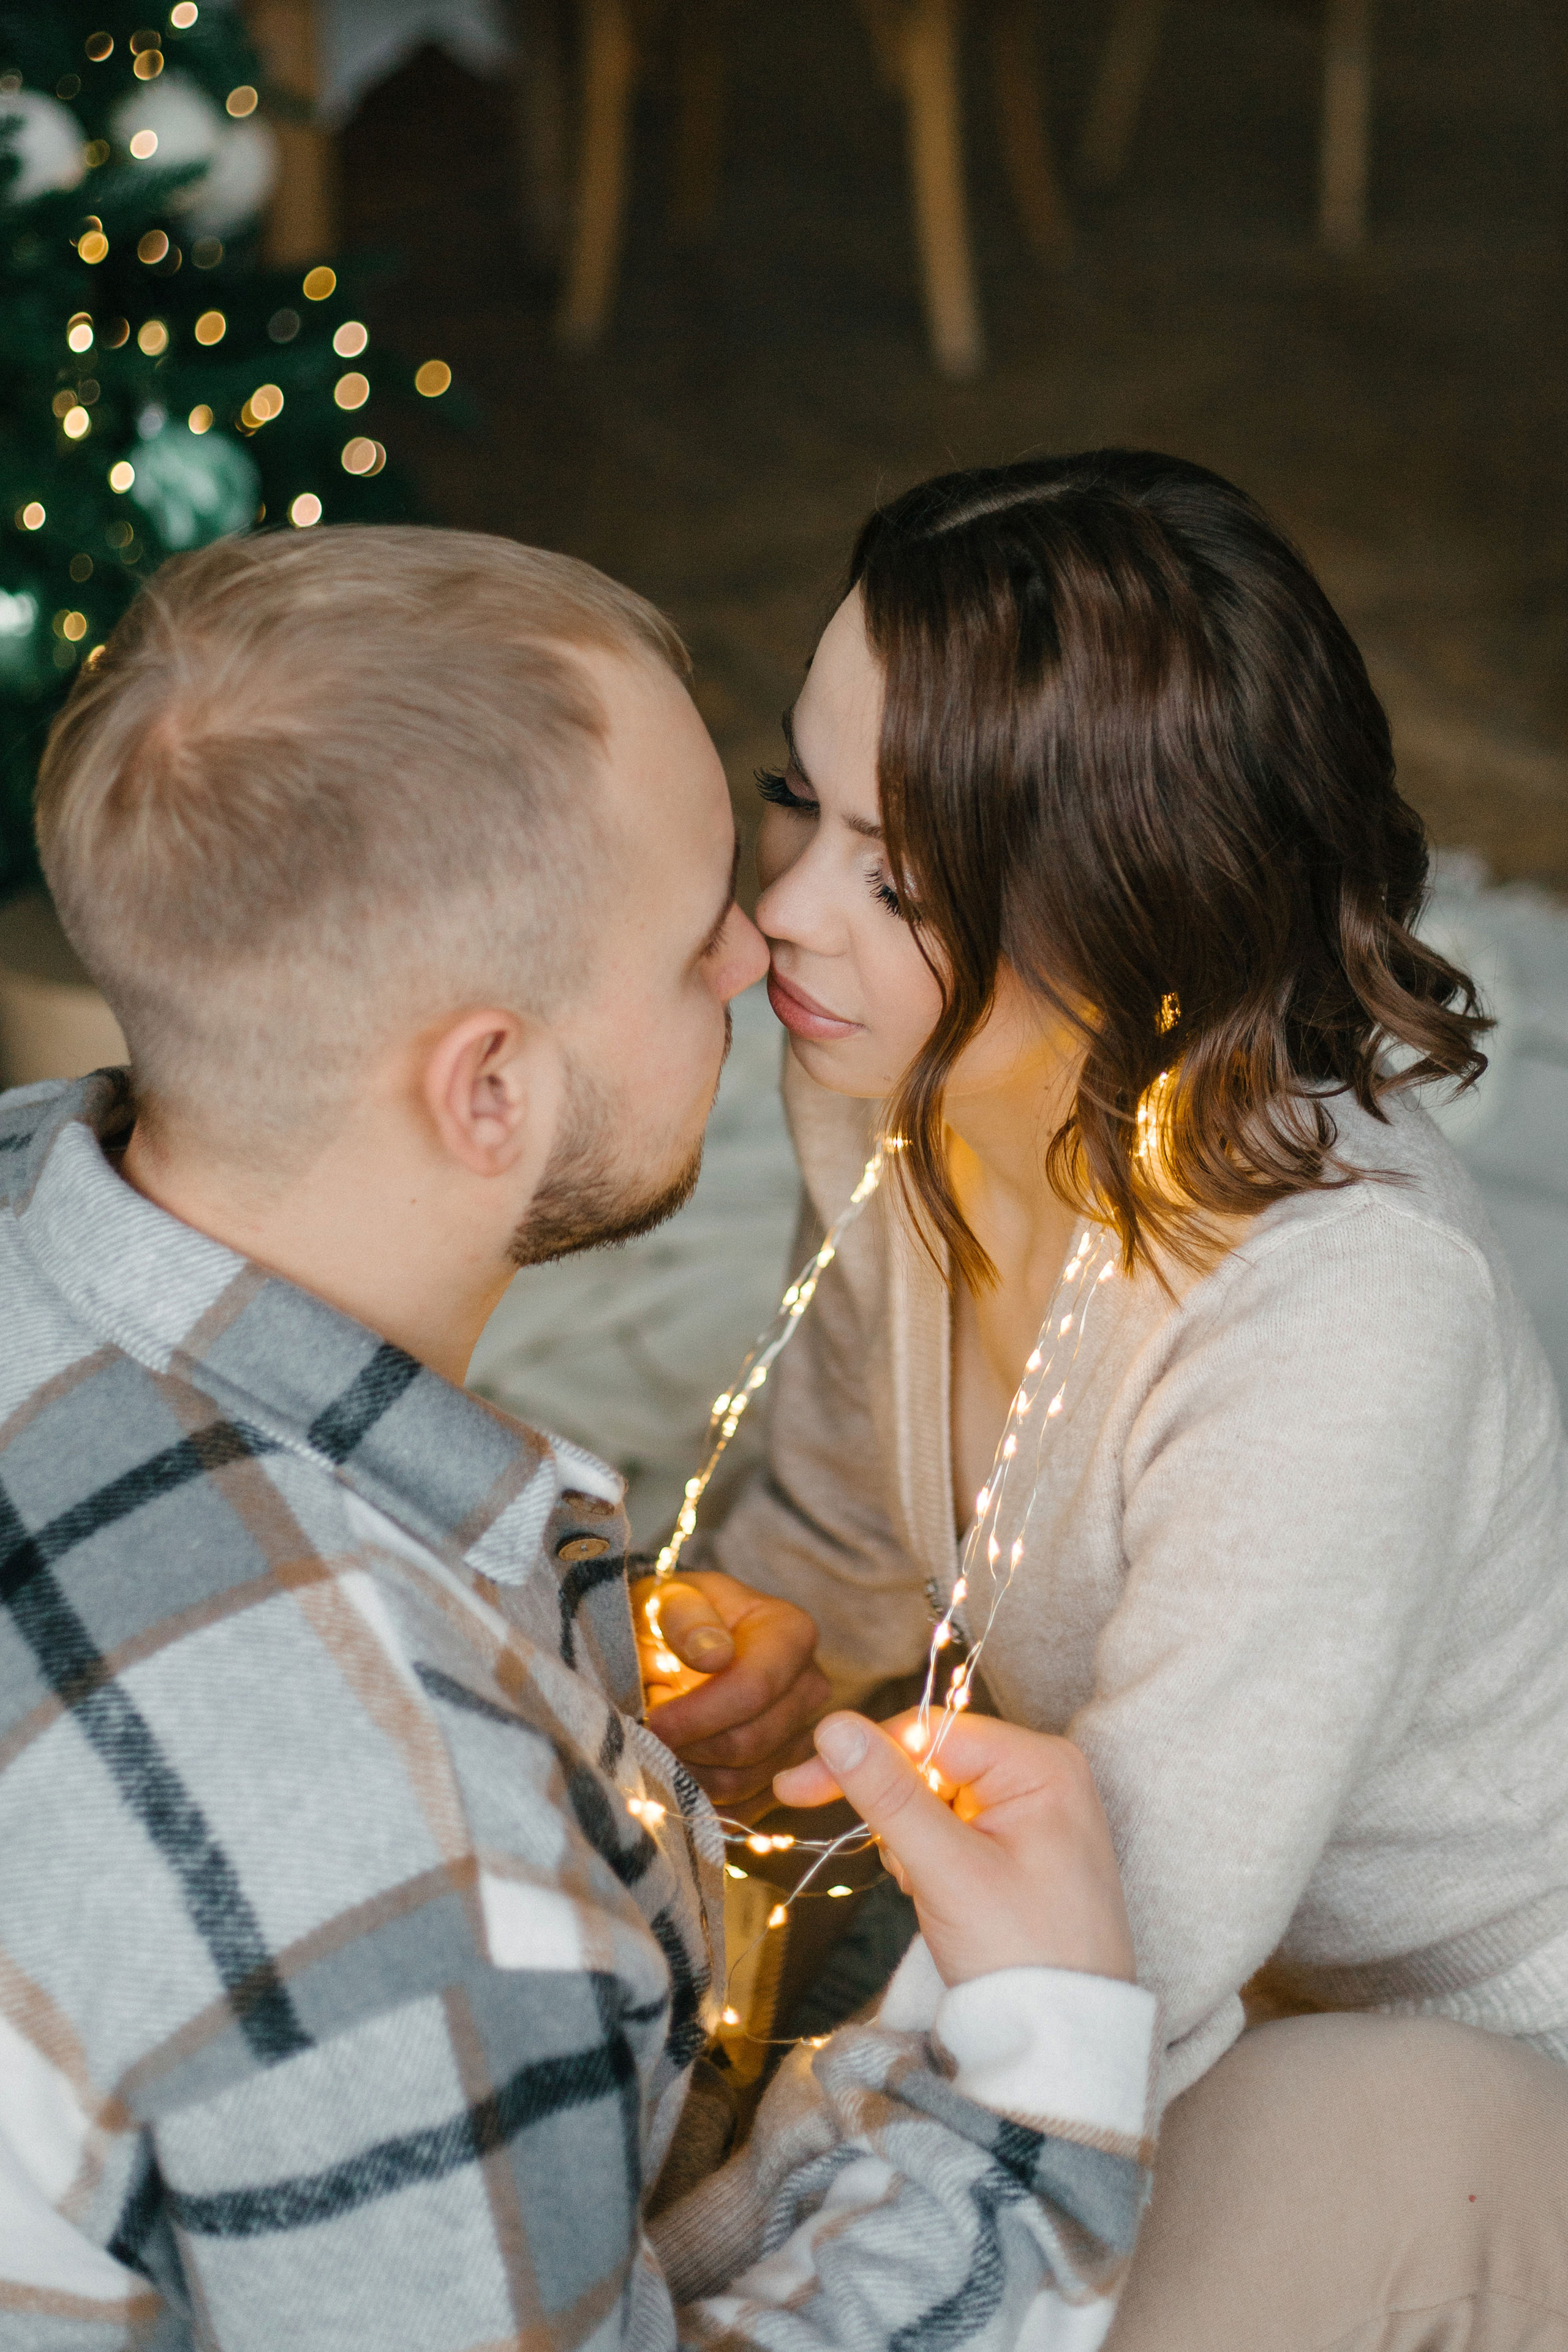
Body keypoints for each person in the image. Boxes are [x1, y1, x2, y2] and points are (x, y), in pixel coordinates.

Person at [0, 525, 1158, 2352]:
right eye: (698, 915)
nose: (758, 938)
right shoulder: (406, 1879)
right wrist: (1047, 2049)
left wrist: (563, 1658)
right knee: (1430, 2146)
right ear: (491, 1089)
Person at [693, 451, 1568, 2344]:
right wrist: (736, 1680)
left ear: (1129, 909)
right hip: (1195, 1976)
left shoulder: (1342, 1320)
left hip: (1469, 2070)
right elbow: (846, 1502)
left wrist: (692, 2246)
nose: (785, 913)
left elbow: (1120, 1971)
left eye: (895, 875)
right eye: (797, 804)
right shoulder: (881, 1081)